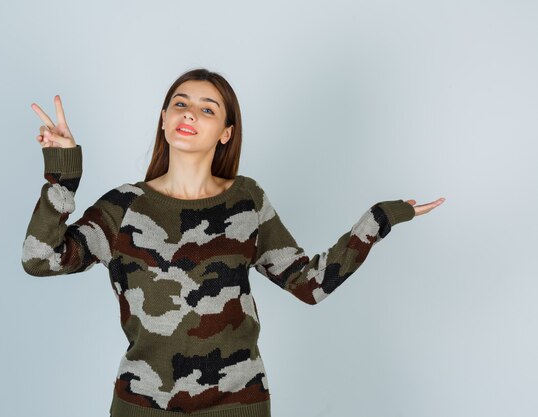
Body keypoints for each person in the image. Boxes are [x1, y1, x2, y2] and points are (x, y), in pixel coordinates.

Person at [22, 68, 445, 417]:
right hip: (142, 403)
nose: (190, 113)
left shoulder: (247, 201)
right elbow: (40, 259)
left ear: (226, 132)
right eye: (180, 103)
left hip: (237, 403)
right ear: (164, 118)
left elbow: (309, 284)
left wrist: (377, 220)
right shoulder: (124, 207)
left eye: (208, 109)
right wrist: (63, 177)